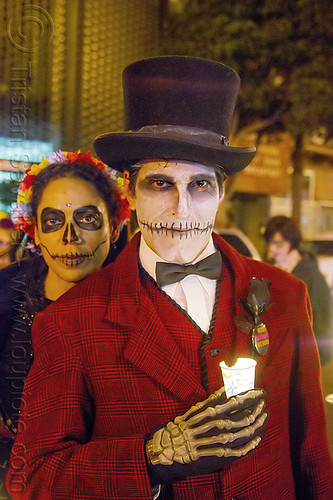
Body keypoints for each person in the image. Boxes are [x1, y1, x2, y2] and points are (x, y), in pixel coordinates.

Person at [7, 57, 333, 499]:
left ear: (221, 193)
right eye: (160, 184)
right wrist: (152, 458)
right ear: (130, 191)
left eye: (199, 186)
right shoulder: (70, 323)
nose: (181, 210)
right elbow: (33, 477)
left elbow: (311, 456)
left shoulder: (287, 296)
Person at [0, 150, 130, 498]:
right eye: (54, 221)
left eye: (87, 219)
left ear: (114, 227)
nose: (69, 238)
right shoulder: (5, 297)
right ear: (35, 232)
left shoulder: (140, 307)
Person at [264, 215, 333, 365]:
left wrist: (312, 362)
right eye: (270, 243)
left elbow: (323, 326)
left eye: (279, 244)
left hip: (300, 361)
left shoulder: (312, 277)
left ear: (292, 242)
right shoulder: (268, 271)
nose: (272, 249)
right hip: (271, 358)